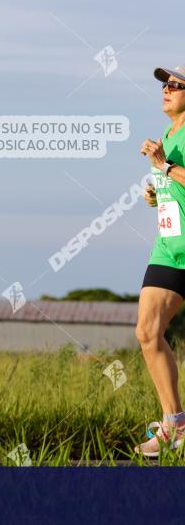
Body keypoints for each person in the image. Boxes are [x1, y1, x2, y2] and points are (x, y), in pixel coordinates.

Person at [136, 64, 185, 457]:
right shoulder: (168, 135)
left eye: (175, 85)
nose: (165, 90)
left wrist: (165, 167)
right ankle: (176, 425)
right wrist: (157, 190)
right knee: (147, 333)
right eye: (164, 85)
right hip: (168, 247)